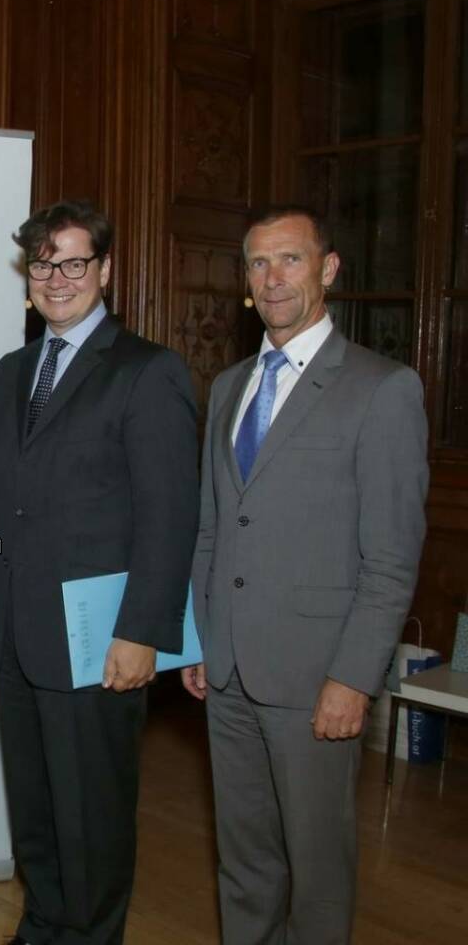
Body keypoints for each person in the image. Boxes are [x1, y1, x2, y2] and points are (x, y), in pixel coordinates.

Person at [182, 205, 428, 944]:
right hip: (226, 671)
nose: (273, 277)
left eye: (290, 260)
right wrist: (199, 639)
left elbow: (390, 558)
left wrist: (354, 678)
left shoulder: (381, 389)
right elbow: (213, 528)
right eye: (258, 264)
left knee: (318, 873)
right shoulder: (229, 386)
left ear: (327, 269)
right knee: (245, 862)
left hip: (316, 678)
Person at [0, 200, 198, 945]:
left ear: (103, 270)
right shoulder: (11, 371)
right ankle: (41, 929)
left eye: (74, 262)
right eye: (43, 264)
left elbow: (170, 518)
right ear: (28, 276)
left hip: (98, 642)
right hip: (13, 634)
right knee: (36, 814)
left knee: (93, 819)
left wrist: (143, 633)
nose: (58, 278)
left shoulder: (147, 371)